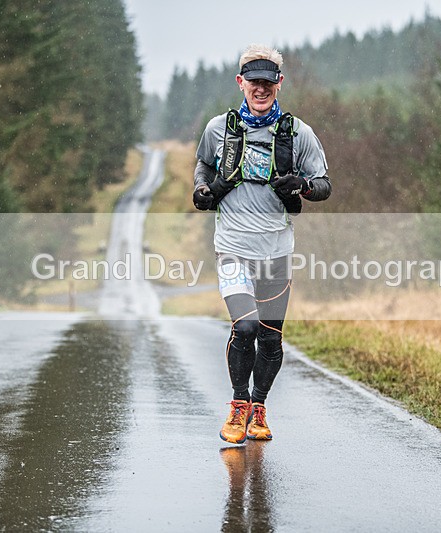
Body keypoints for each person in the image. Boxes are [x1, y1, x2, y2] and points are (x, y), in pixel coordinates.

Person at [193, 44, 332, 444]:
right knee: (247, 325)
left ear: (279, 84)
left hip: (276, 251)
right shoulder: (219, 128)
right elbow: (204, 163)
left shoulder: (297, 133)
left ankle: (259, 409)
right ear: (240, 82)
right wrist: (202, 187)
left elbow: (324, 185)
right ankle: (238, 407)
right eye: (253, 82)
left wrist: (303, 185)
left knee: (271, 336)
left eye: (268, 83)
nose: (260, 89)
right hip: (233, 246)